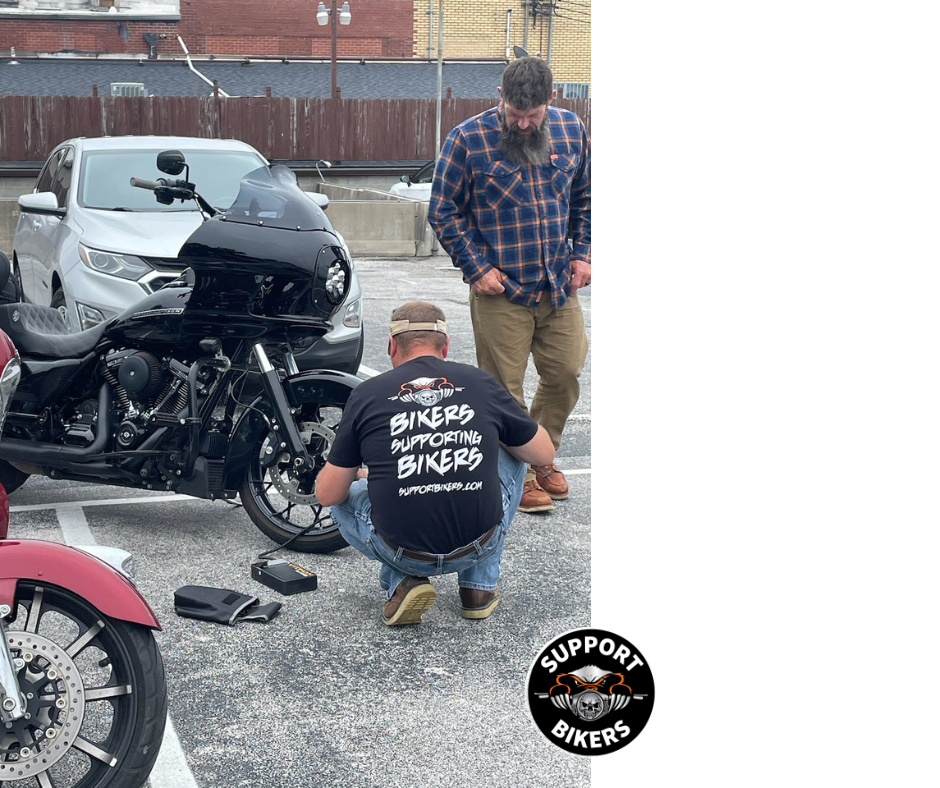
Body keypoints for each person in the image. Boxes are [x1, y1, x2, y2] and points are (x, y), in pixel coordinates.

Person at [316, 301, 555, 626]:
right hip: (478, 546)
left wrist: (369, 474)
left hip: (400, 551)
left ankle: (403, 581)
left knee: (346, 495)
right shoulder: (480, 383)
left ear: (391, 346)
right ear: (446, 347)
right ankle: (478, 588)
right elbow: (543, 454)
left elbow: (328, 494)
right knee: (515, 452)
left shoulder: (367, 394)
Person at [427, 56, 591, 515]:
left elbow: (587, 196)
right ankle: (518, 477)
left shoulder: (571, 129)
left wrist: (584, 254)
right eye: (514, 114)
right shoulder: (467, 138)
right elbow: (443, 210)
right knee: (504, 390)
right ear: (500, 97)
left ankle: (541, 459)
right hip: (500, 291)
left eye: (531, 115)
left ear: (549, 102)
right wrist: (476, 268)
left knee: (565, 375)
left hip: (558, 283)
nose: (521, 124)